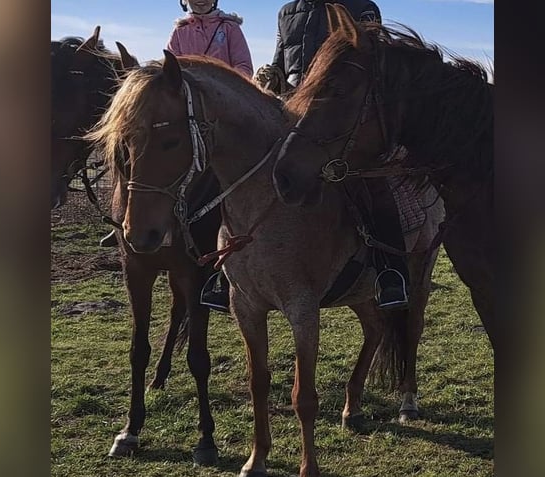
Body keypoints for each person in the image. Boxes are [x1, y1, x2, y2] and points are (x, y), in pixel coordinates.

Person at [254, 1, 409, 310]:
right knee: (239, 170)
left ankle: (391, 271)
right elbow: (281, 61)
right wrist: (272, 77)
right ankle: (220, 269)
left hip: (339, 113)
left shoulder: (362, 6)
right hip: (291, 112)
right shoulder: (286, 12)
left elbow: (375, 58)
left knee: (371, 183)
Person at [99, 0, 254, 265]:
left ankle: (241, 228)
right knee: (135, 152)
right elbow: (166, 70)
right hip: (188, 109)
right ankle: (128, 219)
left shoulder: (229, 29)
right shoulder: (180, 31)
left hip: (221, 110)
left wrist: (215, 88)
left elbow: (244, 69)